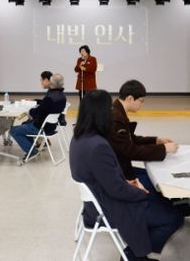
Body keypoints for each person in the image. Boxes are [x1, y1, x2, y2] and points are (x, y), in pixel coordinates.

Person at [70, 90, 183, 261]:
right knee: (173, 217)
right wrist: (139, 191)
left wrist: (128, 183)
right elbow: (117, 190)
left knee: (160, 203)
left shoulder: (80, 137)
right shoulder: (98, 146)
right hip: (108, 207)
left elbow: (106, 178)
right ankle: (133, 257)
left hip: (96, 201)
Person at [108, 80, 177, 184]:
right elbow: (130, 151)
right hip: (119, 174)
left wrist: (156, 141)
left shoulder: (117, 111)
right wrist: (164, 149)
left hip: (119, 167)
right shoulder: (116, 118)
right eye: (141, 101)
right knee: (160, 182)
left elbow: (130, 139)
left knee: (156, 176)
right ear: (130, 98)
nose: (141, 104)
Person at [10, 74, 67, 158]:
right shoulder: (62, 97)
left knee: (13, 130)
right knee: (24, 124)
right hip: (51, 126)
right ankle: (32, 148)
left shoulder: (49, 98)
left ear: (51, 83)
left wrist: (29, 111)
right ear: (62, 84)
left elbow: (37, 112)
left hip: (41, 127)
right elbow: (44, 107)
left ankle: (32, 151)